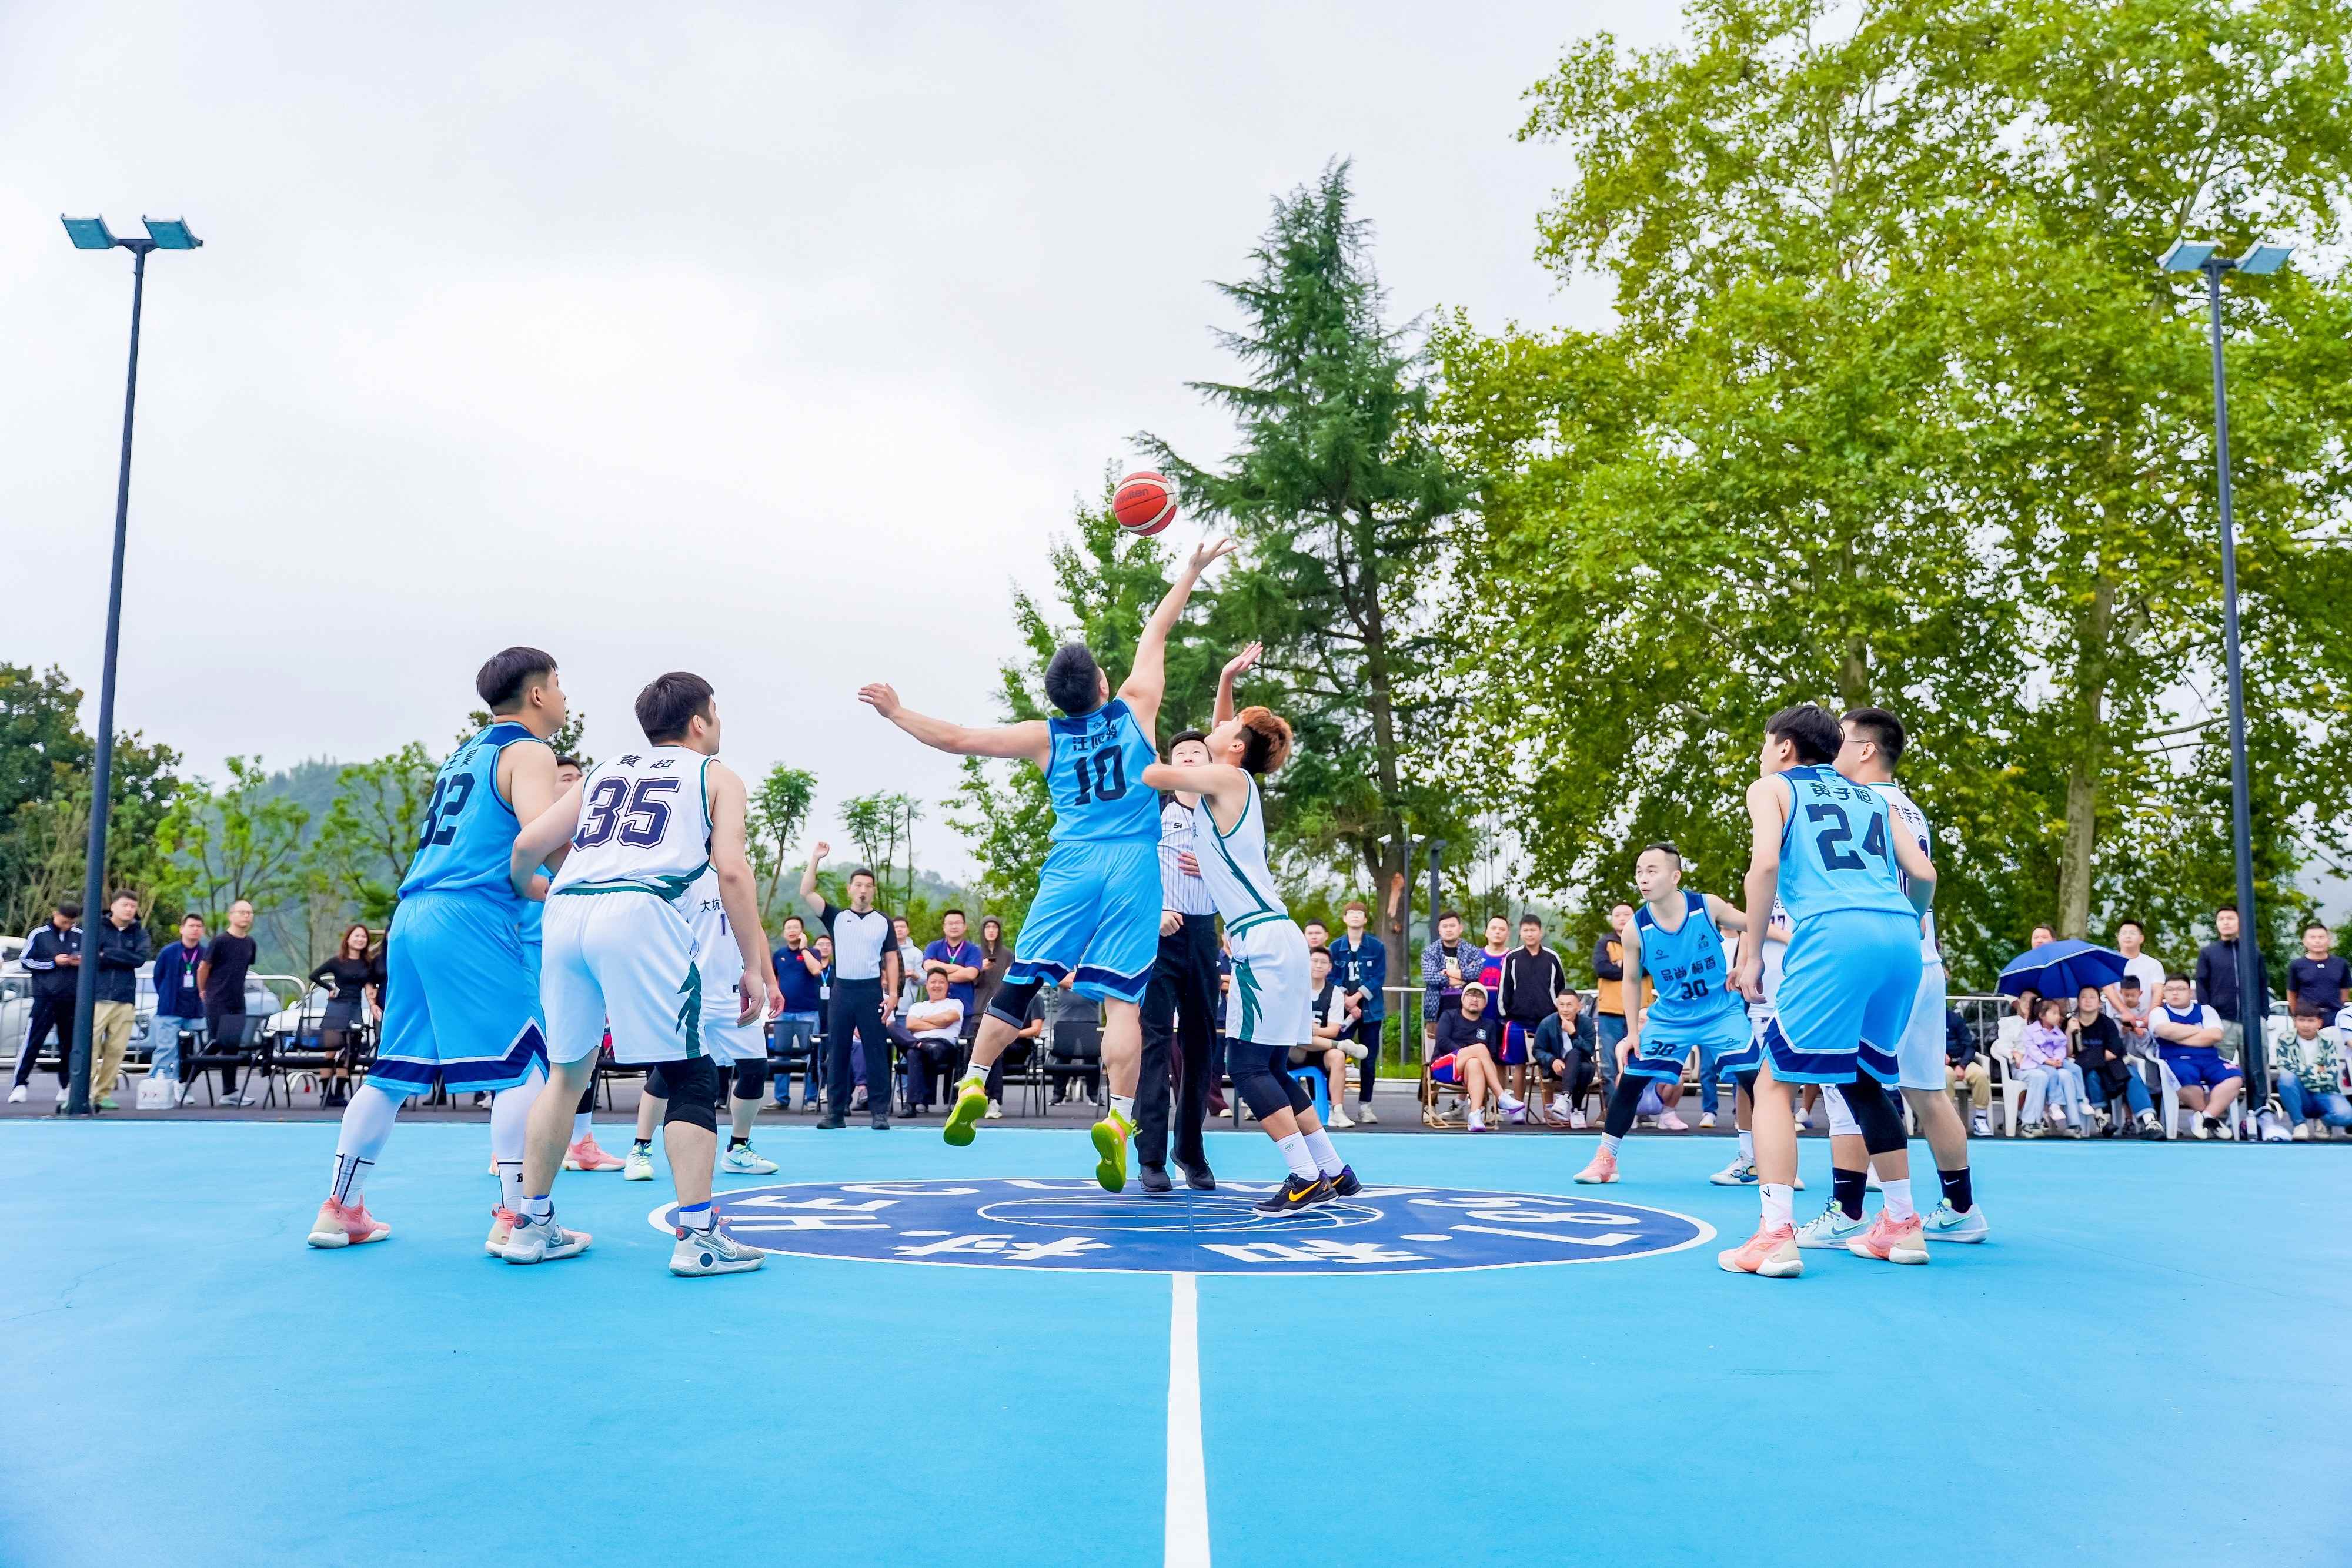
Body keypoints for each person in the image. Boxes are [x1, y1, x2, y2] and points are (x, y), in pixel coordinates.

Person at [864, 536, 1234, 1191]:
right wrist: (1190, 570)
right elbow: (1157, 629)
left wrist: (896, 712)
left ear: (1056, 697)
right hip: (1133, 867)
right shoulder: (1135, 707)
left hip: (1072, 865)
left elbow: (958, 739)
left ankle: (975, 1081)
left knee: (1020, 980)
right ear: (1102, 684)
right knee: (1123, 1004)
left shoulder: (1045, 736)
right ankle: (1119, 1118)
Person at [506, 670, 771, 1276]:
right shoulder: (717, 775)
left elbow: (527, 845)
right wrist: (754, 967)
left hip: (567, 910)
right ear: (700, 721)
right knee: (690, 1073)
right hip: (641, 910)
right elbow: (733, 871)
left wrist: (532, 888)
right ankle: (699, 1237)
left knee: (566, 1075)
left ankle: (530, 1224)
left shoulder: (602, 770)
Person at [307, 648, 567, 1252]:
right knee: (525, 1064)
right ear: (537, 694)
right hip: (471, 920)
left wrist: (545, 887)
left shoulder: (463, 755)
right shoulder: (530, 752)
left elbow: (503, 861)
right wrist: (593, 878)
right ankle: (519, 1220)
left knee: (392, 1072)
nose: (564, 697)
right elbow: (537, 838)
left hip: (413, 917)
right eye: (559, 685)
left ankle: (340, 1208)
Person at [1722, 704, 1936, 1278]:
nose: (1762, 754)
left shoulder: (1772, 788)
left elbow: (1763, 867)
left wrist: (1750, 955)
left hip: (1835, 934)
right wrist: (1912, 919)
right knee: (1866, 1080)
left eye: (1765, 743)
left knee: (1772, 1083)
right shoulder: (1873, 797)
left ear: (1784, 746)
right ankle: (1902, 1222)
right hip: (1899, 936)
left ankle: (1774, 1236)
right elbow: (1924, 875)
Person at [1138, 673, 1359, 1211]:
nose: (1213, 729)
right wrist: (1225, 680)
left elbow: (1150, 772)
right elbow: (1224, 730)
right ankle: (1334, 1170)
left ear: (1235, 747)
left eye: (1228, 727)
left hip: (1260, 941)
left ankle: (1303, 1176)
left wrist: (1127, 719)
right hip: (1277, 936)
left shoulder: (1226, 780)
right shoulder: (1234, 781)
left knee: (1248, 1068)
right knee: (1274, 1066)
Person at [1815, 708, 1987, 1242]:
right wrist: (1914, 919)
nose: (1833, 751)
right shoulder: (1910, 808)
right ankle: (1962, 1209)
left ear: (1866, 749)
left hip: (1882, 965)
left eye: (1841, 740)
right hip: (1924, 963)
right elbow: (1923, 877)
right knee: (1927, 1090)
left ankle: (1849, 1211)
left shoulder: (1861, 805)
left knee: (1850, 1085)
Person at [1577, 844, 1748, 1183]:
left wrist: (1746, 962)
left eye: (1652, 871)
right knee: (1631, 1081)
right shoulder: (1636, 928)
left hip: (1720, 1011)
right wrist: (1632, 1033)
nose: (1643, 878)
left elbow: (1753, 924)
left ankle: (1756, 1160)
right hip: (1670, 1017)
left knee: (1754, 1079)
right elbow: (1629, 981)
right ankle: (1606, 1160)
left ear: (1675, 876)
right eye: (1639, 871)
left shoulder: (1706, 906)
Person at [626, 861, 785, 1180]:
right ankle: (640, 1148)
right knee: (668, 1071)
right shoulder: (683, 873)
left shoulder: (741, 875)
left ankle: (738, 1148)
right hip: (692, 992)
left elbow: (755, 931)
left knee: (756, 1069)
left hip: (736, 993)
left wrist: (771, 983)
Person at [526, 753, 623, 1174]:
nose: (576, 783)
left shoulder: (592, 840)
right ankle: (508, 1145)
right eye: (566, 778)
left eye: (580, 777)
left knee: (582, 1051)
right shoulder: (532, 833)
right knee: (531, 1054)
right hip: (529, 952)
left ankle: (581, 1140)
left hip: (577, 955)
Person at [1136, 726, 1221, 1191]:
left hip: (1204, 934)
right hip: (1160, 934)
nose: (1188, 756)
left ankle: (1189, 1148)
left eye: (1197, 751)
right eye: (1181, 752)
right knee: (1154, 1041)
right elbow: (1131, 867)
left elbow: (1251, 870)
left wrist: (1214, 866)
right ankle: (1150, 1156)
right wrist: (1154, 913)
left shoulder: (1223, 814)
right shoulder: (1153, 811)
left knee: (1200, 1044)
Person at [800, 847, 899, 1129]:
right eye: (858, 885)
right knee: (838, 1051)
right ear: (850, 889)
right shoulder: (836, 916)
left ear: (874, 890)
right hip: (842, 991)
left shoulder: (883, 922)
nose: (863, 890)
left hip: (871, 992)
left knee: (876, 1052)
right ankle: (835, 1113)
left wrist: (893, 994)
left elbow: (892, 958)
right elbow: (806, 892)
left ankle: (879, 1113)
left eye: (868, 886)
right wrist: (815, 858)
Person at [2152, 972, 2243, 1139]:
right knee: (2185, 1076)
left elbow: (2215, 1035)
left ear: (2190, 992)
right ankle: (2209, 1119)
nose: (2175, 993)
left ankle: (2206, 1117)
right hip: (2176, 1060)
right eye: (2170, 989)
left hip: (2210, 1060)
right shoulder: (2159, 1012)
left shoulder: (2205, 1010)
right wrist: (2198, 1030)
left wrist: (2179, 1036)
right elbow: (2165, 1031)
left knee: (2235, 1077)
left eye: (2180, 989)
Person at [2067, 983, 2162, 1138]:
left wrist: (2085, 1056)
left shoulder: (2107, 1023)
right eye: (2083, 997)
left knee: (2132, 1076)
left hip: (2113, 1067)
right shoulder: (2071, 1024)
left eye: (2092, 997)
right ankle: (2101, 1120)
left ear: (2099, 1003)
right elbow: (2069, 1054)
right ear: (2078, 1002)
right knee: (2091, 1076)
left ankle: (2150, 1121)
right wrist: (2069, 1032)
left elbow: (2112, 1053)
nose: (2088, 1000)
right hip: (2089, 1071)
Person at [10, 902, 82, 1103]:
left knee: (69, 1044)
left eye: (71, 923)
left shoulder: (80, 935)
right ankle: (20, 1085)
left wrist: (79, 962)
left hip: (71, 998)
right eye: (64, 921)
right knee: (33, 1041)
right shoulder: (39, 934)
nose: (67, 926)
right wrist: (52, 962)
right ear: (55, 914)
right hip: (45, 998)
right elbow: (26, 960)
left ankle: (65, 1086)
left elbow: (91, 960)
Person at [1498, 914, 1570, 1114]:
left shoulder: (1552, 958)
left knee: (1547, 1065)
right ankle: (1518, 1108)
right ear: (1520, 933)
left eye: (1533, 930)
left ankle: (1549, 1109)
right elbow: (1505, 989)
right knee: (1519, 1065)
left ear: (1541, 932)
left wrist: (1559, 1017)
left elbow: (1561, 989)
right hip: (1518, 1021)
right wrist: (1506, 1016)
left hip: (1547, 1022)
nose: (1529, 934)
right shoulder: (1512, 958)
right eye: (1526, 930)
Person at [88, 891, 149, 1111]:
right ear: (113, 906)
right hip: (97, 997)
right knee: (90, 1048)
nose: (129, 910)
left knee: (116, 1050)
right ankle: (84, 1092)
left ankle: (103, 1093)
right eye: (125, 905)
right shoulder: (97, 928)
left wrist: (108, 954)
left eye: (133, 906)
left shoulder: (140, 933)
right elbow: (91, 956)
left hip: (124, 998)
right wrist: (121, 956)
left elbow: (139, 959)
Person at [1327, 897, 1387, 1122]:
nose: (1355, 916)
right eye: (1350, 913)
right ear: (1344, 918)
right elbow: (1331, 977)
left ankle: (1365, 1107)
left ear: (1365, 919)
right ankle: (1334, 1106)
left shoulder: (1377, 947)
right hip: (1342, 1012)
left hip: (1371, 1011)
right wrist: (1347, 1000)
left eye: (1359, 913)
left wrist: (1357, 998)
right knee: (1336, 1055)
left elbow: (1378, 977)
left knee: (1369, 1059)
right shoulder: (1335, 948)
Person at [200, 900, 261, 1106]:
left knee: (232, 1047)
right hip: (218, 999)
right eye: (242, 912)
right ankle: (184, 1078)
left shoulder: (250, 943)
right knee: (217, 1042)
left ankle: (230, 1092)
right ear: (231, 915)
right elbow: (204, 968)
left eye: (250, 913)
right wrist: (203, 990)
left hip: (238, 1000)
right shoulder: (220, 941)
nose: (246, 916)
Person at [308, 922, 375, 1108]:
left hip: (355, 1009)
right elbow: (314, 975)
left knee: (350, 1052)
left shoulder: (368, 964)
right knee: (330, 1051)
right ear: (348, 939)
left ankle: (339, 1092)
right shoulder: (337, 961)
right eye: (357, 936)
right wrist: (330, 988)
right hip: (336, 1009)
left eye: (363, 936)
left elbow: (370, 985)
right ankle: (326, 1093)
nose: (360, 939)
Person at [1590, 904, 1651, 1091]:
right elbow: (1602, 969)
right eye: (1618, 915)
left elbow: (1649, 967)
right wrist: (1633, 968)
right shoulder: (1604, 943)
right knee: (1610, 1065)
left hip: (1641, 1013)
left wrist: (1620, 964)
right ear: (1612, 919)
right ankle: (1612, 1107)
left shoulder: (1646, 939)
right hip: (1611, 1012)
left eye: (1627, 914)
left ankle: (1642, 1106)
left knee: (1643, 1062)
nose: (1622, 918)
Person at [769, 914, 826, 1111]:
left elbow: (816, 970)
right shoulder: (779, 954)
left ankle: (811, 1098)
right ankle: (781, 1099)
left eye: (796, 927)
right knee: (781, 1056)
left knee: (811, 1056)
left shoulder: (813, 952)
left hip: (808, 1013)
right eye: (789, 928)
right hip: (784, 1013)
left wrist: (804, 949)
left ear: (802, 931)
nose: (792, 930)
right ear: (784, 932)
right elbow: (774, 979)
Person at [1433, 982, 1507, 1130]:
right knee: (1480, 1049)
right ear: (1462, 999)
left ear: (1485, 1004)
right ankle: (1501, 1096)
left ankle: (1475, 1116)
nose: (1474, 999)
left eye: (1479, 996)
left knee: (1475, 1062)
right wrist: (1467, 1053)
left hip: (1471, 1072)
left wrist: (1470, 1058)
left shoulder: (1489, 1025)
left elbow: (1492, 1054)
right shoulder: (1449, 1016)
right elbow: (1442, 1041)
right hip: (1444, 1067)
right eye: (1471, 995)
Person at [2011, 996, 2089, 1136]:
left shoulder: (2057, 1031)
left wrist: (2057, 1059)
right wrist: (2048, 1061)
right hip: (2033, 1066)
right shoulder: (2029, 1030)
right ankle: (2030, 1123)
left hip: (2054, 1065)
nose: (2058, 1016)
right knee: (2041, 1076)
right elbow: (2033, 1051)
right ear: (2042, 1015)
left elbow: (2061, 1047)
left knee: (2066, 1074)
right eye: (2054, 1013)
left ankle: (2074, 1123)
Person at [891, 969, 966, 1114]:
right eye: (933, 982)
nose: (937, 985)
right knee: (907, 1044)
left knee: (916, 1052)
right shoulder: (917, 1006)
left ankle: (912, 1104)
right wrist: (940, 1023)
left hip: (943, 1046)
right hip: (919, 1044)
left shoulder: (955, 1004)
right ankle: (911, 1106)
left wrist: (922, 1019)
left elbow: (948, 1019)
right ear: (926, 985)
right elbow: (911, 1024)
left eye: (941, 982)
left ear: (947, 985)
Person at [149, 912, 206, 1096]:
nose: (195, 929)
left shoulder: (205, 954)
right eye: (191, 926)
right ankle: (158, 1087)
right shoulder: (168, 952)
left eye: (199, 926)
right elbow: (158, 977)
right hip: (170, 1009)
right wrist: (165, 996)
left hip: (196, 1010)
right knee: (166, 1049)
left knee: (194, 1051)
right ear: (182, 929)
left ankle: (184, 1086)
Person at [2276, 1010, 2351, 1137]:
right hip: (2301, 1092)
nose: (2306, 1025)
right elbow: (2285, 1068)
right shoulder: (2285, 1039)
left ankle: (2323, 1120)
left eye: (2311, 1021)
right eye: (2302, 1020)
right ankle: (2299, 1125)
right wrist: (2316, 1069)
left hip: (2325, 1091)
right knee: (2286, 1079)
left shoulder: (2328, 1041)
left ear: (2320, 1023)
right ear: (2295, 1021)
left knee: (2347, 1117)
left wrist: (2301, 1072)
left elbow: (2331, 1076)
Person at [1532, 987, 1597, 1126]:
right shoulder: (1547, 1023)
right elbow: (1537, 1050)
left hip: (1582, 1067)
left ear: (1579, 1007)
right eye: (1562, 1005)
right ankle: (1576, 1111)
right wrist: (1552, 1060)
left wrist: (1574, 1034)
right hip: (1556, 1070)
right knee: (1580, 1063)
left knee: (1578, 1057)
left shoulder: (1587, 1023)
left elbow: (1589, 1050)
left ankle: (1565, 1098)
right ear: (1557, 1005)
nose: (1565, 1009)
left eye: (1569, 1005)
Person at [2195, 905, 2250, 1055]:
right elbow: (2201, 985)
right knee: (2221, 1064)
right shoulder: (2208, 953)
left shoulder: (2252, 951)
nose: (2226, 922)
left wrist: (2262, 1014)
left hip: (2252, 1021)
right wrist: (2208, 1015)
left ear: (2240, 921)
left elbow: (2263, 983)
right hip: (2221, 1020)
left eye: (2230, 918)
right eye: (2221, 919)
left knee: (2256, 1065)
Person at [2103, 920, 2167, 1029]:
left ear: (2141, 938)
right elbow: (2108, 989)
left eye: (2132, 933)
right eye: (2124, 933)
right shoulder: (2109, 962)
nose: (2127, 936)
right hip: (2117, 1022)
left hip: (2146, 1023)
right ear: (2118, 937)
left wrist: (2151, 1016)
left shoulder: (2154, 964)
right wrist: (2125, 1012)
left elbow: (2158, 991)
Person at [1421, 911, 1471, 1044]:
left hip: (1466, 1013)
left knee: (1463, 1050)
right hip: (1436, 1014)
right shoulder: (1430, 952)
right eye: (1445, 926)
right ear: (1439, 929)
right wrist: (1461, 979)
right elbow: (1430, 977)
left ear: (1460, 928)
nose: (1449, 929)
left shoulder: (1470, 951)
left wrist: (1446, 974)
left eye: (1452, 926)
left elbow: (1473, 975)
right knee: (1436, 1053)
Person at [1945, 1006, 1993, 1136]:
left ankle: (1980, 1119)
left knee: (1981, 1075)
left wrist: (1962, 1065)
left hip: (1962, 1062)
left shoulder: (1955, 1019)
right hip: (1940, 1065)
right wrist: (1937, 1054)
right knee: (1946, 1075)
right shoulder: (1926, 1020)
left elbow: (1969, 1046)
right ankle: (1948, 1119)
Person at [2286, 924, 2348, 1019]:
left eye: (2321, 937)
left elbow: (2344, 990)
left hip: (2334, 1015)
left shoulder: (2341, 964)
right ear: (2304, 941)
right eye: (2313, 937)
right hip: (2308, 1017)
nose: (2317, 941)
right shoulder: (2297, 965)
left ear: (2328, 940)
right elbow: (2292, 993)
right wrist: (2297, 1016)